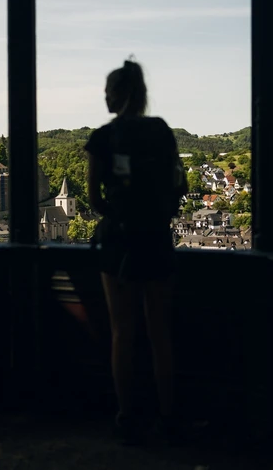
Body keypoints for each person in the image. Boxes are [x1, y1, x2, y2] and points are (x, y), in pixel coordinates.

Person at [84, 59, 188, 445]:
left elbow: (94, 199)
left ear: (120, 94)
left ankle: (127, 416)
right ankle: (169, 416)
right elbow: (180, 183)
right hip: (156, 238)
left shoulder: (102, 138)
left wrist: (120, 215)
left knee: (121, 333)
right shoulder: (161, 131)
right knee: (161, 334)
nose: (104, 97)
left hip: (119, 242)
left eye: (108, 91)